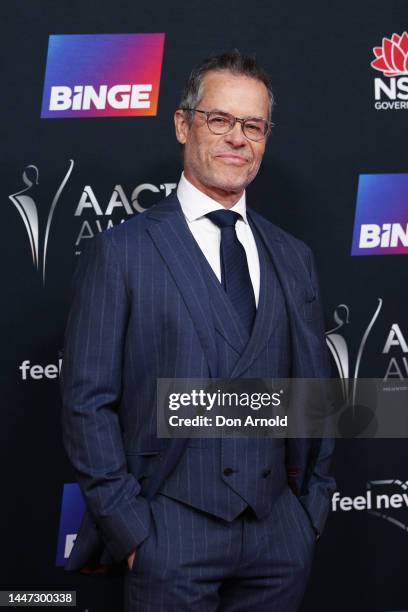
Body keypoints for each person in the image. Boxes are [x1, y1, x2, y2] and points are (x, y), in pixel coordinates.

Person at [61, 50, 335, 612]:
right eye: (220, 119)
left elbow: (316, 391)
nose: (238, 138)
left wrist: (311, 510)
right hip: (169, 536)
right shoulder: (123, 251)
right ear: (184, 124)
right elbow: (87, 402)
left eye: (252, 125)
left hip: (278, 538)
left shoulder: (293, 256)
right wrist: (133, 531)